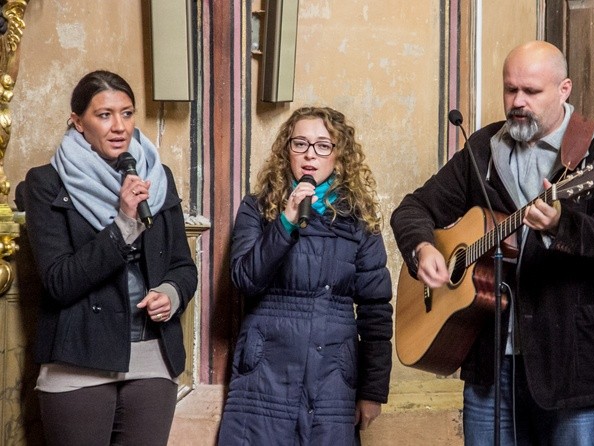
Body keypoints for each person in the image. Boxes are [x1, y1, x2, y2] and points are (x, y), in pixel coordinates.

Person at [391, 41, 594, 445]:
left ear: (564, 89)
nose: (517, 102)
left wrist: (563, 225)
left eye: (531, 91)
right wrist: (423, 249)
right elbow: (412, 209)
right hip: (491, 367)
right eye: (510, 90)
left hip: (577, 369)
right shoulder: (482, 151)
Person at [23, 70, 198, 446]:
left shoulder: (157, 177)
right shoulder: (46, 183)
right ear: (78, 122)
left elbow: (182, 266)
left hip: (153, 360)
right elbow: (60, 281)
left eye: (127, 113)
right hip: (79, 362)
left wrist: (171, 292)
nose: (119, 126)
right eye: (104, 115)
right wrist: (122, 223)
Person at [218, 106, 393, 445]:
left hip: (331, 377)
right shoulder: (259, 207)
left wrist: (372, 391)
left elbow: (376, 310)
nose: (310, 154)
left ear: (339, 156)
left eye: (323, 145)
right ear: (287, 151)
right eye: (300, 144)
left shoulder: (358, 218)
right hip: (266, 371)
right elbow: (244, 279)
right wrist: (284, 222)